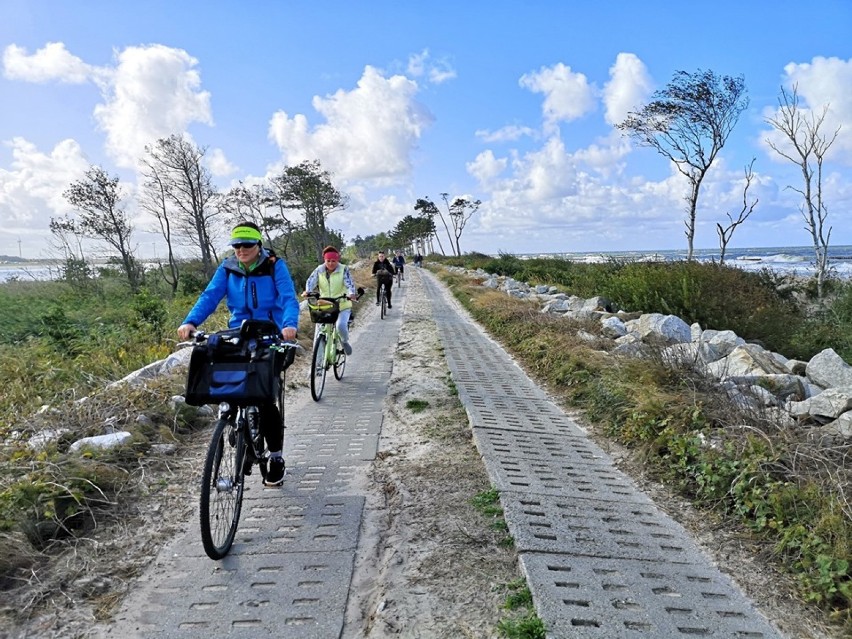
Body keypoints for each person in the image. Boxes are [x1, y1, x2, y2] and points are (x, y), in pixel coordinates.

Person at [178, 221, 299, 488]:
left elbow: (288, 297)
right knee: (231, 387)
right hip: (240, 334)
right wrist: (191, 322)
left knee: (265, 397)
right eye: (236, 245)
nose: (241, 250)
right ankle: (238, 427)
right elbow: (210, 296)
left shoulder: (274, 265)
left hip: (273, 335)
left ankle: (275, 457)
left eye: (246, 244)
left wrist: (289, 325)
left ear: (259, 245)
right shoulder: (228, 268)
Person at [302, 246, 359, 354]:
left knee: (340, 326)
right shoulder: (319, 270)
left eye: (334, 261)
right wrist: (307, 291)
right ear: (325, 260)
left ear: (337, 260)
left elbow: (349, 283)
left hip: (342, 305)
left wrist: (351, 294)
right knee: (318, 334)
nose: (331, 263)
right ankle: (317, 366)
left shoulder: (343, 269)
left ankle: (344, 341)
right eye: (328, 261)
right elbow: (311, 281)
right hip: (325, 306)